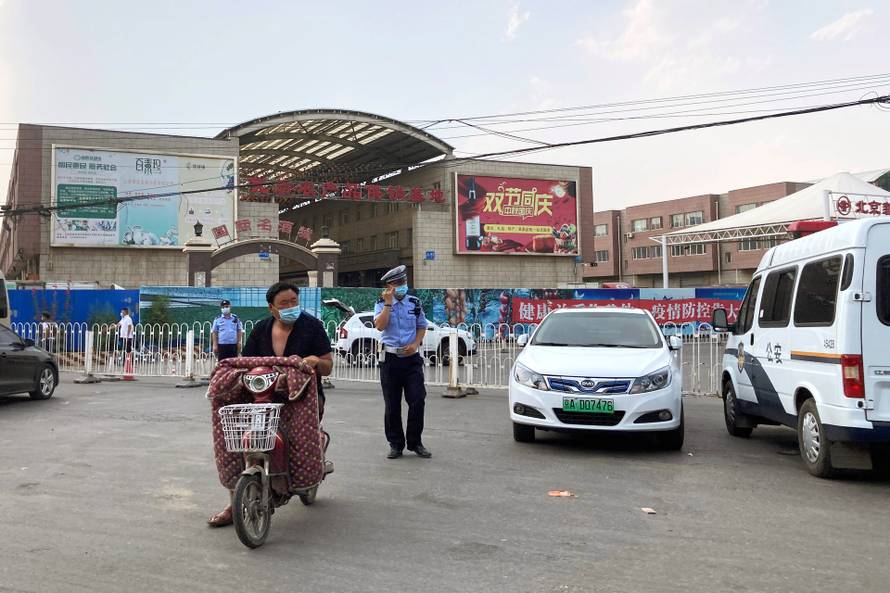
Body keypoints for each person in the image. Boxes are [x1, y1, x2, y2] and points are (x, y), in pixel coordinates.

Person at [207, 281, 334, 527]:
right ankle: (235, 503)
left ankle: (300, 478)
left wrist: (315, 361)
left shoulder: (312, 327)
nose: (290, 307)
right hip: (264, 395)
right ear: (272, 308)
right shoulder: (261, 329)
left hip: (302, 397)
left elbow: (328, 366)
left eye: (294, 302)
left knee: (297, 439)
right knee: (239, 439)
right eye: (284, 303)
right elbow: (246, 362)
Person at [373, 265, 431, 460]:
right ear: (389, 286)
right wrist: (388, 304)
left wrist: (415, 344)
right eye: (397, 284)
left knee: (417, 400)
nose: (401, 286)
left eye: (403, 282)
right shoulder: (381, 303)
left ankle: (415, 442)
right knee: (392, 404)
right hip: (389, 360)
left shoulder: (414, 302)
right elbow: (380, 326)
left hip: (411, 360)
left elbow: (422, 326)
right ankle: (396, 444)